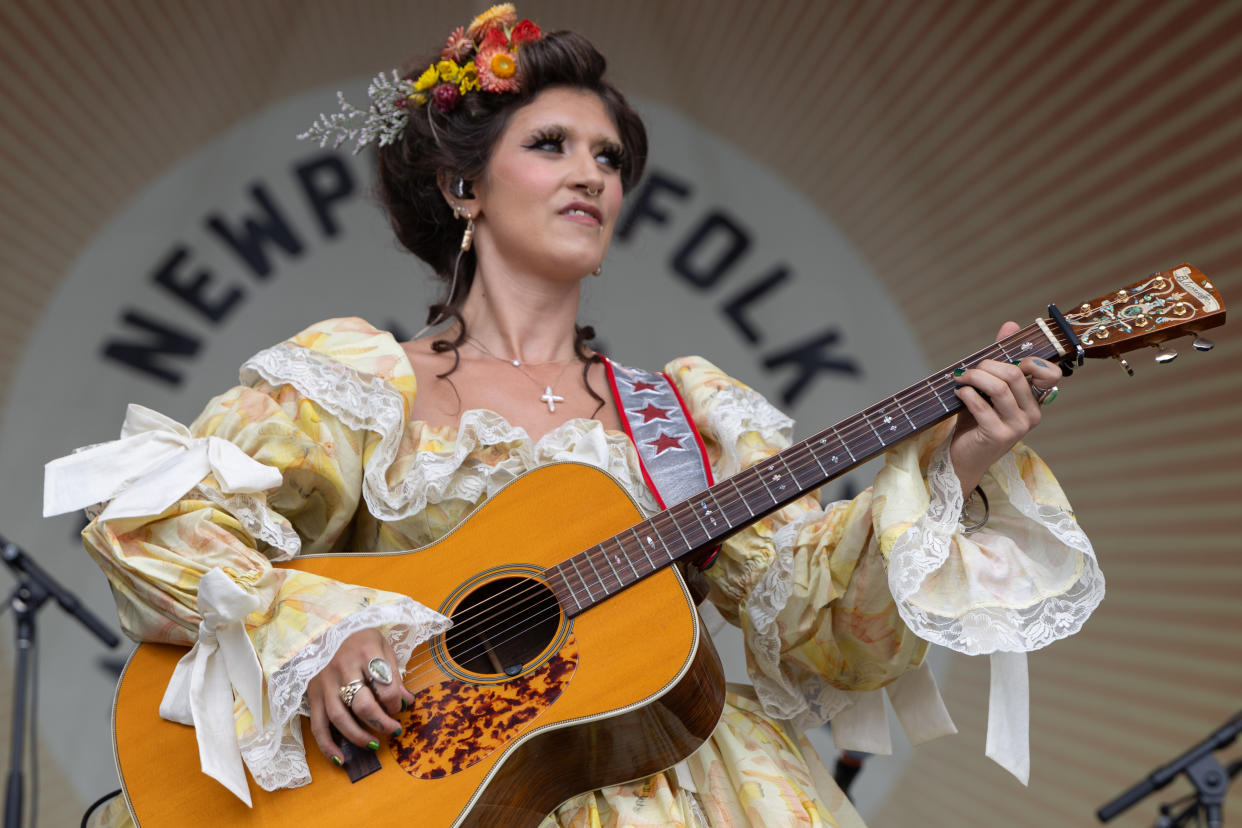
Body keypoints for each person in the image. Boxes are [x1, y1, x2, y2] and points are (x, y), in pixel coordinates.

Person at [52, 5, 1102, 826]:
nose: (592, 176)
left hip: (684, 789)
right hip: (422, 793)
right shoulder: (364, 380)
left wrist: (951, 464)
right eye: (552, 145)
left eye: (609, 160)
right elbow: (162, 523)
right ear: (463, 185)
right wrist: (313, 639)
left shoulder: (679, 411)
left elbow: (820, 630)